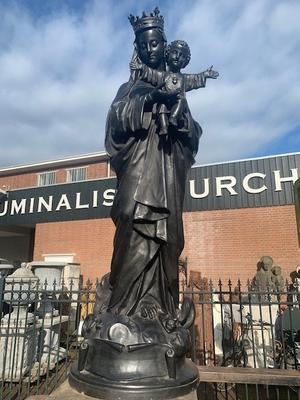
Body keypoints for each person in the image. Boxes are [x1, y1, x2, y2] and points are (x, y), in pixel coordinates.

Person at [105, 8, 202, 323]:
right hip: (137, 174)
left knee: (167, 239)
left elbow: (192, 133)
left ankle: (161, 309)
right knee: (132, 224)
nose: (149, 50)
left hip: (167, 173)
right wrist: (149, 100)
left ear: (165, 44)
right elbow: (115, 120)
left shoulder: (177, 85)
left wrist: (180, 118)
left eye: (155, 44)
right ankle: (122, 308)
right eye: (143, 45)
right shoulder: (129, 88)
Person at [131, 39, 219, 135]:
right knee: (162, 106)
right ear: (168, 55)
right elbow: (151, 73)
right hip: (165, 99)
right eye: (175, 53)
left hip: (177, 102)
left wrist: (205, 74)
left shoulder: (185, 78)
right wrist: (141, 67)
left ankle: (174, 118)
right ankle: (163, 127)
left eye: (182, 56)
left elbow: (196, 78)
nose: (177, 57)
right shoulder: (162, 75)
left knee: (182, 100)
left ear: (185, 61)